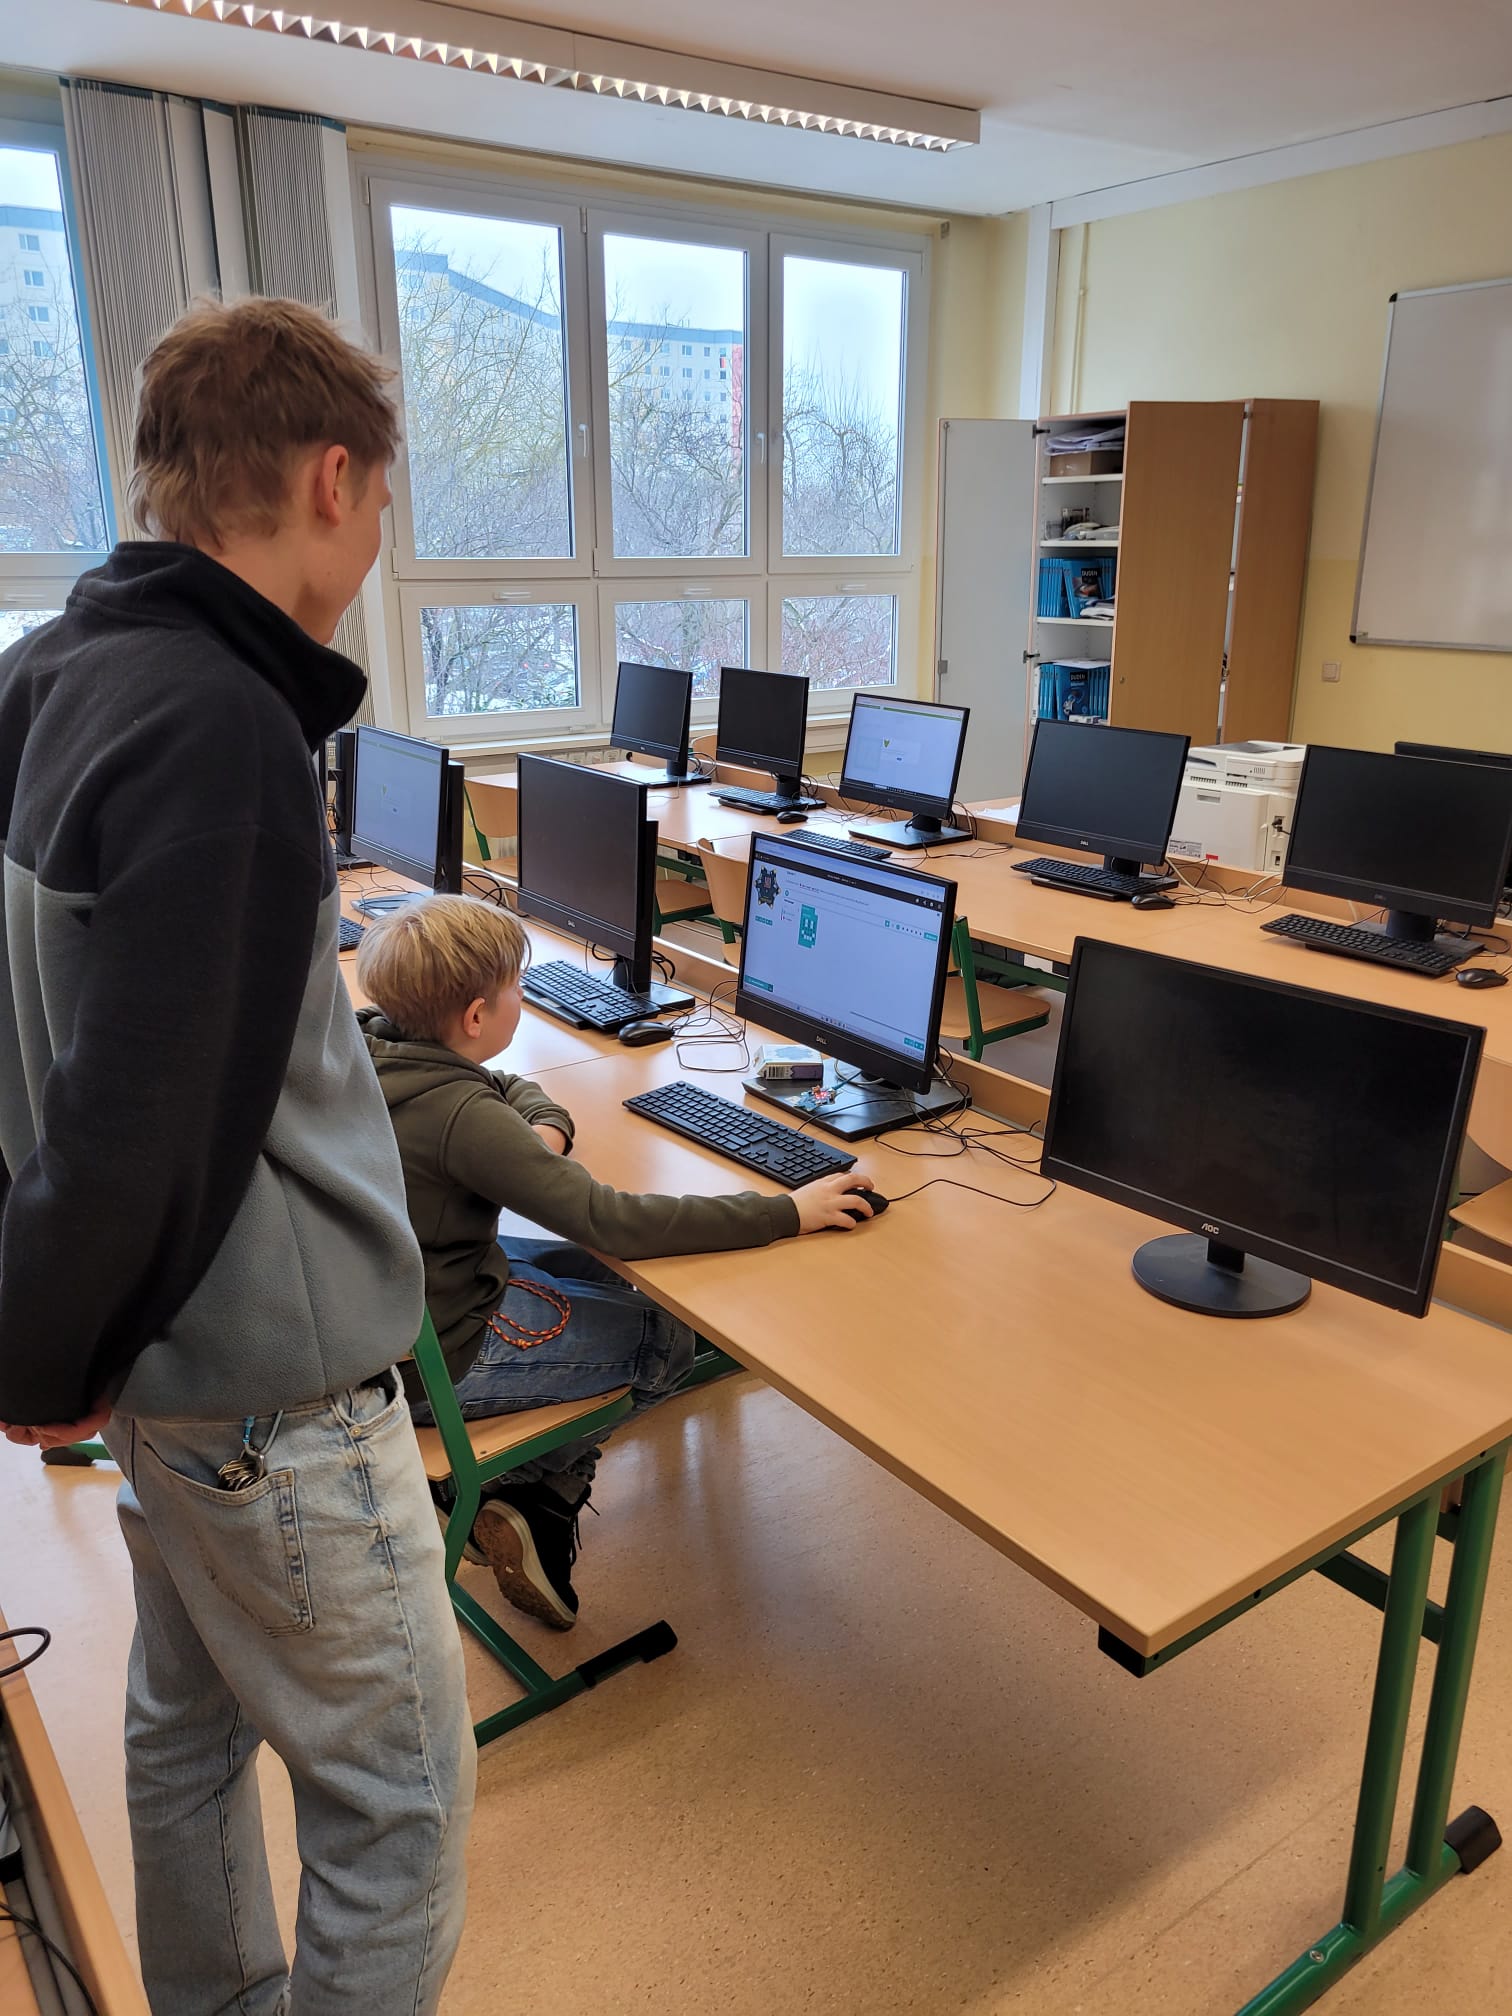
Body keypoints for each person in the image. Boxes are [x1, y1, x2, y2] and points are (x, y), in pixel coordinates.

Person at [0, 298, 474, 2016]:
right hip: (278, 1399)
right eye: (383, 503)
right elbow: (141, 1116)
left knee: (185, 1734)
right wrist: (37, 1352)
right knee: (399, 1814)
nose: (375, 539)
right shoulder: (223, 723)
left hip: (164, 1381)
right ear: (331, 480)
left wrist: (66, 1335)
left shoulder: (50, 669)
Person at [355, 894, 875, 1628]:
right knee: (668, 1336)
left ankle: (523, 1497)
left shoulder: (369, 1045)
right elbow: (612, 1220)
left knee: (602, 1275)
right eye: (515, 988)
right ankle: (521, 1491)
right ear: (475, 1018)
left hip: (391, 1308)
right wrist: (787, 1212)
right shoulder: (461, 1118)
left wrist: (542, 1128)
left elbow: (501, 1087)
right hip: (432, 1357)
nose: (522, 997)